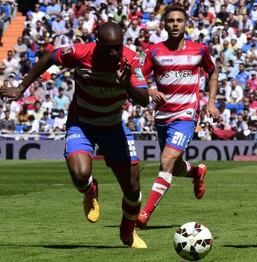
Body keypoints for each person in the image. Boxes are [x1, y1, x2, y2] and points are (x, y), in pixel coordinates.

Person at [0, 22, 149, 248]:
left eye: (117, 47)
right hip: (83, 124)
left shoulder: (130, 60)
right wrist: (22, 88)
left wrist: (127, 83)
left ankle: (127, 231)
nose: (113, 53)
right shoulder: (80, 52)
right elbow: (50, 57)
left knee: (133, 189)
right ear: (97, 43)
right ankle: (91, 191)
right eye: (108, 47)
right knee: (80, 176)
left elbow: (144, 99)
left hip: (114, 127)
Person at [136, 5, 220, 228]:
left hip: (186, 116)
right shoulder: (154, 52)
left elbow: (212, 72)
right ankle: (196, 172)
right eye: (171, 20)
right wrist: (149, 91)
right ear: (165, 24)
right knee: (174, 166)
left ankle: (144, 214)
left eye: (179, 20)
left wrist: (211, 103)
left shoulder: (199, 50)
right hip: (163, 117)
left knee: (166, 161)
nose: (175, 24)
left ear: (186, 23)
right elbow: (138, 80)